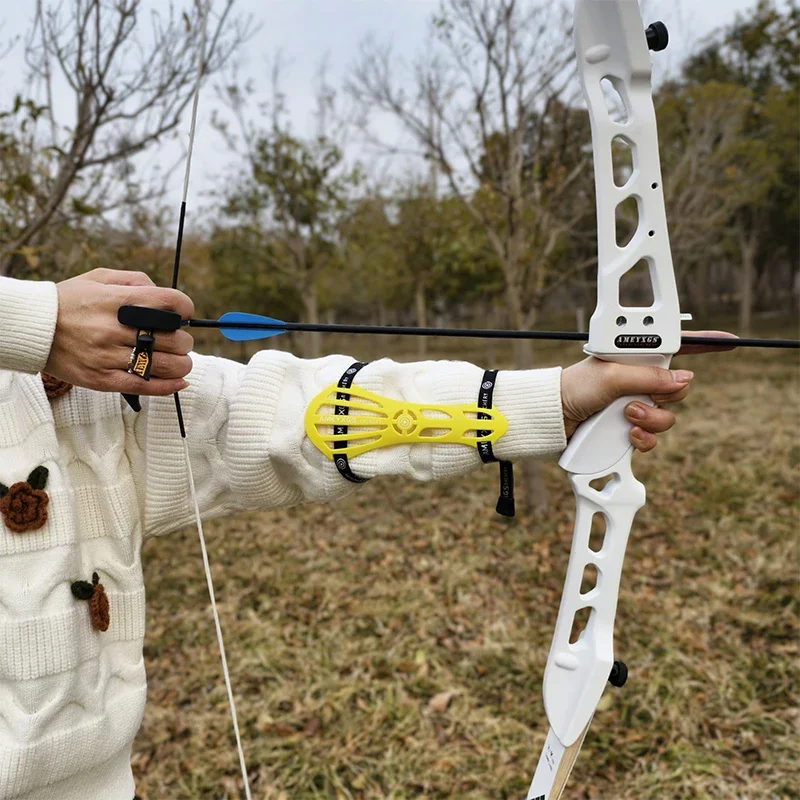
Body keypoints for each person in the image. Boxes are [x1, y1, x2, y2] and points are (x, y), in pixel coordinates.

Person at [0, 268, 719, 800]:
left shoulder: (70, 388)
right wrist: (35, 320)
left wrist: (557, 398)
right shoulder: (43, 344)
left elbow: (288, 413)